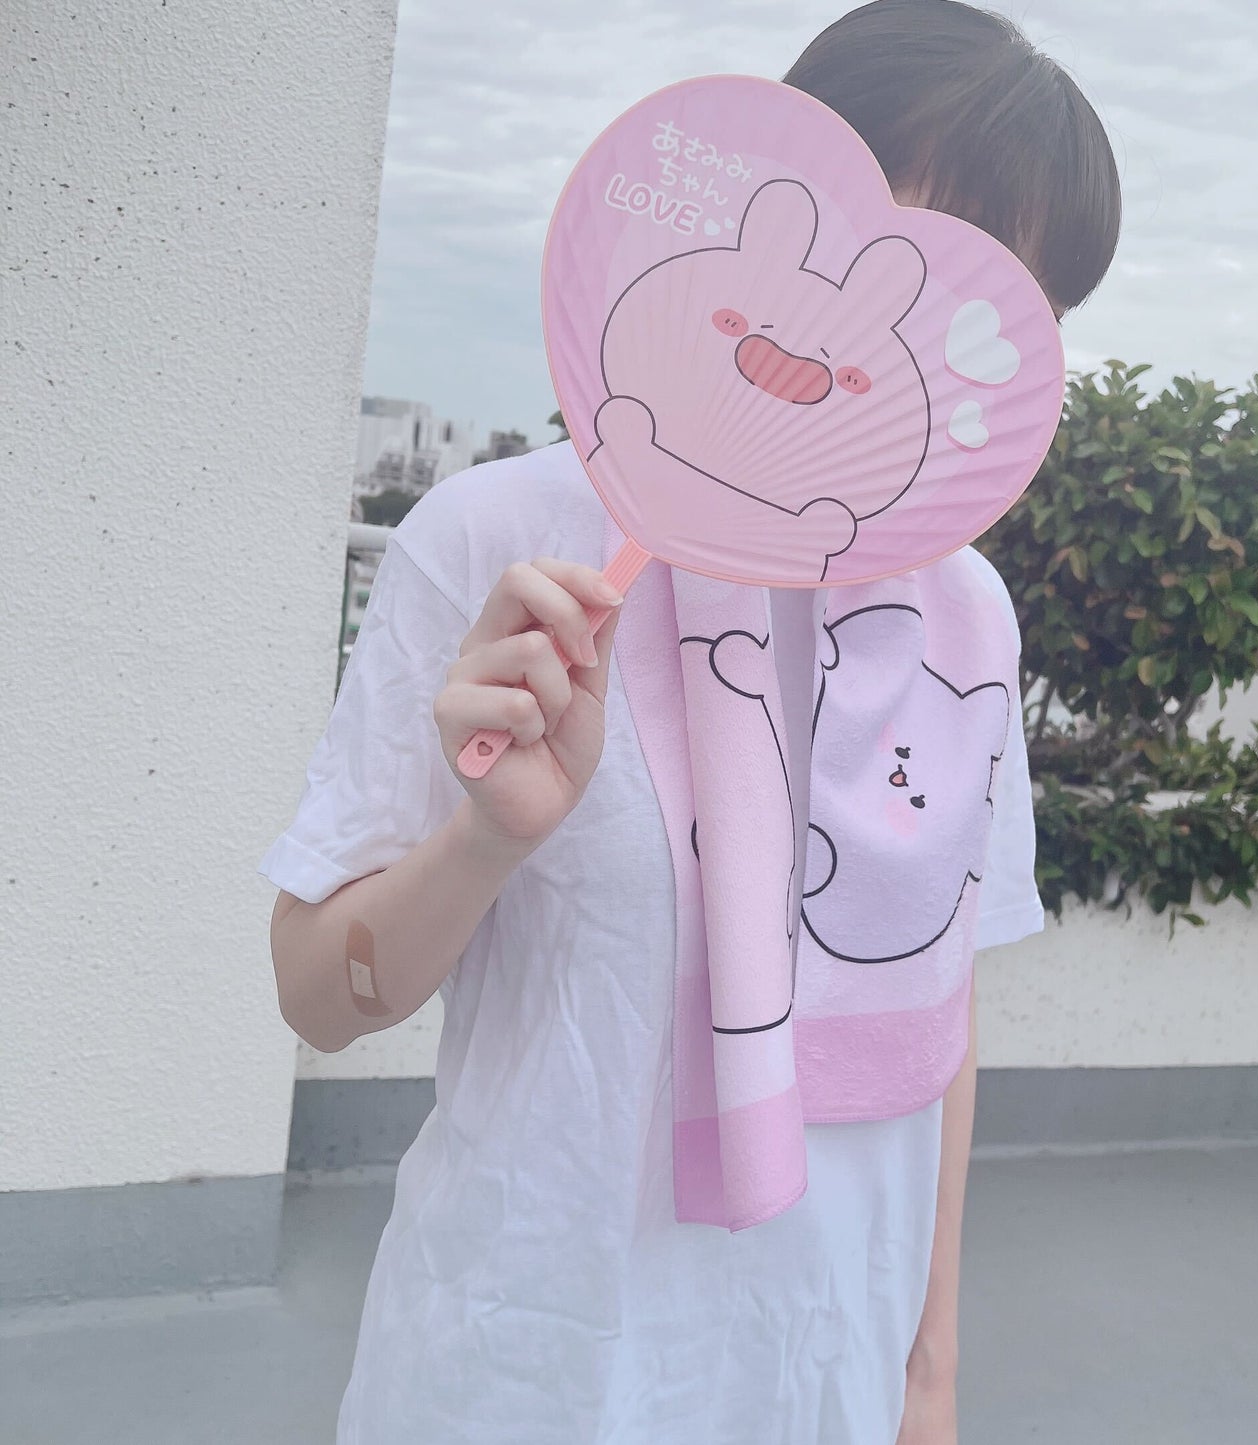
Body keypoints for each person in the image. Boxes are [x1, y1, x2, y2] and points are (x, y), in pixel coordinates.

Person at [263, 3, 1120, 1441]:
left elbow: (942, 1007)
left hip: (818, 1374)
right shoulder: (503, 542)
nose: (919, 332)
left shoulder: (963, 616)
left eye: (1002, 304)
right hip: (528, 1372)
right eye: (909, 251)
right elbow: (314, 994)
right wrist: (486, 839)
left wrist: (928, 1373)